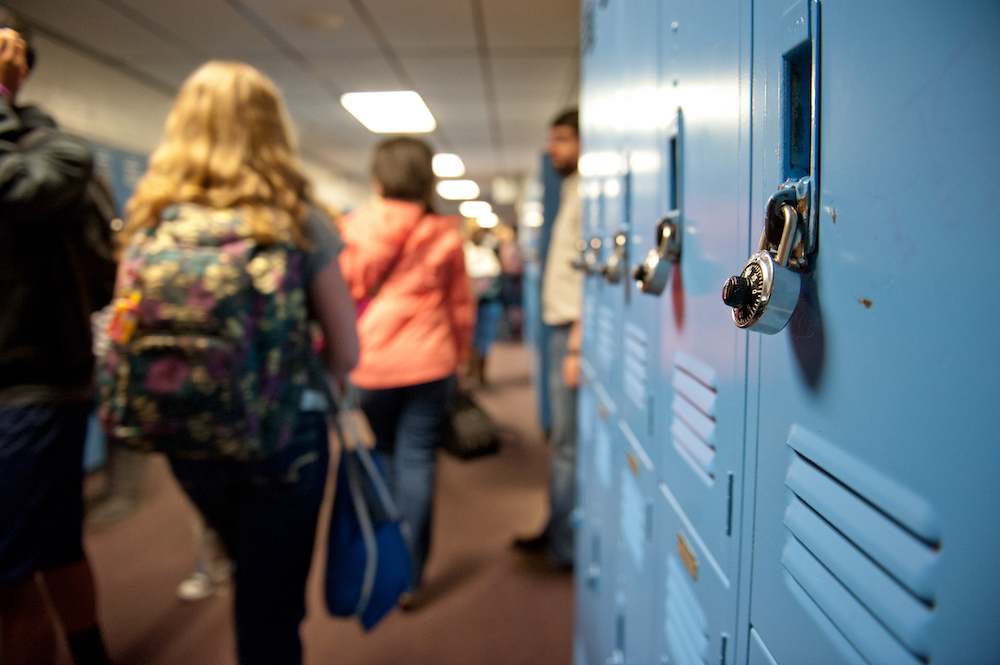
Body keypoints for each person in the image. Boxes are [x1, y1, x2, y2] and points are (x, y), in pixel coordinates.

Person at [114, 61, 358, 664]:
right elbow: (347, 348)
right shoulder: (301, 223)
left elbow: (125, 326)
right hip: (283, 434)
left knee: (243, 558)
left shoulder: (151, 223)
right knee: (271, 604)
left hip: (186, 435)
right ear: (272, 131)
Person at [0, 13, 116, 665]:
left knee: (8, 572)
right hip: (29, 385)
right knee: (51, 543)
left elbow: (17, 187)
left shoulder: (55, 152)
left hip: (31, 383)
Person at [339, 136, 474, 606]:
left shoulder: (353, 229)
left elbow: (343, 294)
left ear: (377, 177)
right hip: (431, 363)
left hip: (371, 365)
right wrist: (460, 357)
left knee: (388, 459)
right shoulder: (442, 232)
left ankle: (385, 565)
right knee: (417, 464)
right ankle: (412, 579)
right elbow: (459, 307)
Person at [513, 109, 582, 570]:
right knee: (564, 440)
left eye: (562, 138)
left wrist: (577, 343)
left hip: (573, 332)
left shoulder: (593, 192)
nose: (551, 148)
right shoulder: (573, 190)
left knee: (568, 442)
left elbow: (591, 281)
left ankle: (565, 544)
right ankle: (558, 527)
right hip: (561, 326)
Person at [463, 223, 503, 384]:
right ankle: (471, 370)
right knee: (472, 337)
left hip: (488, 302)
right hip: (472, 304)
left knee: (484, 336)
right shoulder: (467, 251)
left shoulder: (488, 253)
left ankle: (480, 372)